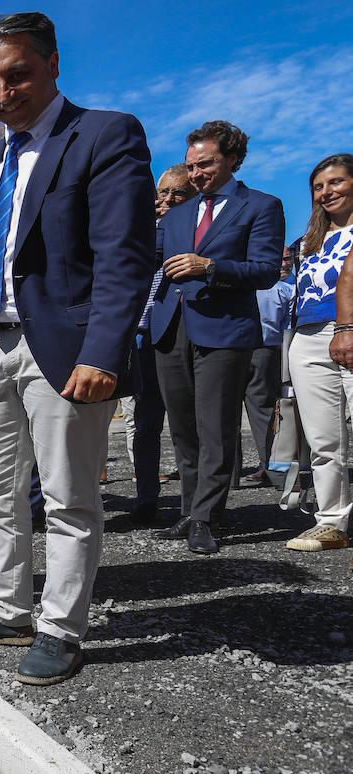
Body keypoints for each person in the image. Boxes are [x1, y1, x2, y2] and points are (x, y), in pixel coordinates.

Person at [0, 12, 155, 685]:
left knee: (70, 494)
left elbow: (124, 254)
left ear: (52, 64)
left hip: (66, 346)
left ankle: (61, 628)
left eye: (16, 74)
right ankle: (7, 606)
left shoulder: (105, 135)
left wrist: (104, 350)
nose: (3, 92)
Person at [151, 120, 285, 555]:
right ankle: (190, 510)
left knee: (216, 427)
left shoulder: (262, 206)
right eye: (191, 166)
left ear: (233, 160)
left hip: (225, 328)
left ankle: (208, 516)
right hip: (172, 327)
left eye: (205, 164)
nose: (196, 174)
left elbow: (265, 271)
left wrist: (209, 266)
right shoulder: (179, 213)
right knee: (183, 428)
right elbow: (146, 259)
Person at [286, 153, 353, 551]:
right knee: (324, 439)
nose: (327, 192)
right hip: (308, 338)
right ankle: (332, 521)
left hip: (349, 329)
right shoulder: (309, 240)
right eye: (318, 186)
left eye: (337, 182)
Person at [124, 164, 195, 526]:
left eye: (177, 193)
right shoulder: (139, 232)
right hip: (140, 338)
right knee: (145, 423)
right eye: (162, 192)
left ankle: (195, 508)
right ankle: (146, 498)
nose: (165, 200)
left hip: (178, 336)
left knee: (186, 424)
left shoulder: (193, 236)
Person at [234, 243, 296, 487]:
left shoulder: (243, 281)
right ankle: (276, 473)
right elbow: (286, 329)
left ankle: (227, 477)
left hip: (252, 349)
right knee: (265, 413)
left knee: (227, 414)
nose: (284, 264)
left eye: (287, 259)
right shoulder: (282, 289)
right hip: (265, 349)